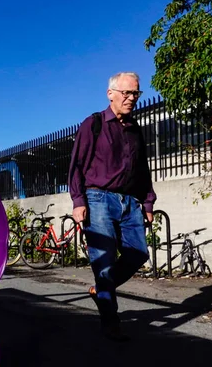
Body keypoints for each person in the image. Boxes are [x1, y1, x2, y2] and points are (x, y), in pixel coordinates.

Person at [68, 71, 157, 341]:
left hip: (130, 201)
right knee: (104, 262)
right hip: (98, 199)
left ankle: (100, 289)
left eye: (136, 94)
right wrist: (78, 201)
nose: (131, 99)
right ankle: (111, 322)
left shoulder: (135, 130)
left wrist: (148, 202)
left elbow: (143, 170)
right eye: (126, 93)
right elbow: (76, 165)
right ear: (111, 94)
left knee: (138, 253)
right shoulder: (93, 124)